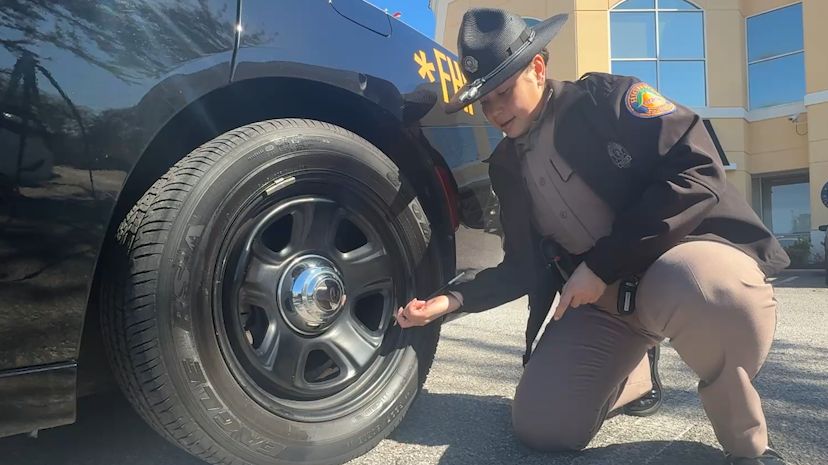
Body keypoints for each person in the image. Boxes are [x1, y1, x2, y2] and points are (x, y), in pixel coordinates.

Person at [395, 8, 790, 465]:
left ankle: (749, 448)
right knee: (542, 425)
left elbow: (697, 171)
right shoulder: (505, 166)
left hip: (683, 264)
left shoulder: (608, 100)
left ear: (538, 68)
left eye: (503, 92)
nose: (495, 110)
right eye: (484, 102)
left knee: (707, 289)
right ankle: (635, 374)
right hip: (605, 304)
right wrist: (453, 301)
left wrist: (600, 266)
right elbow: (522, 265)